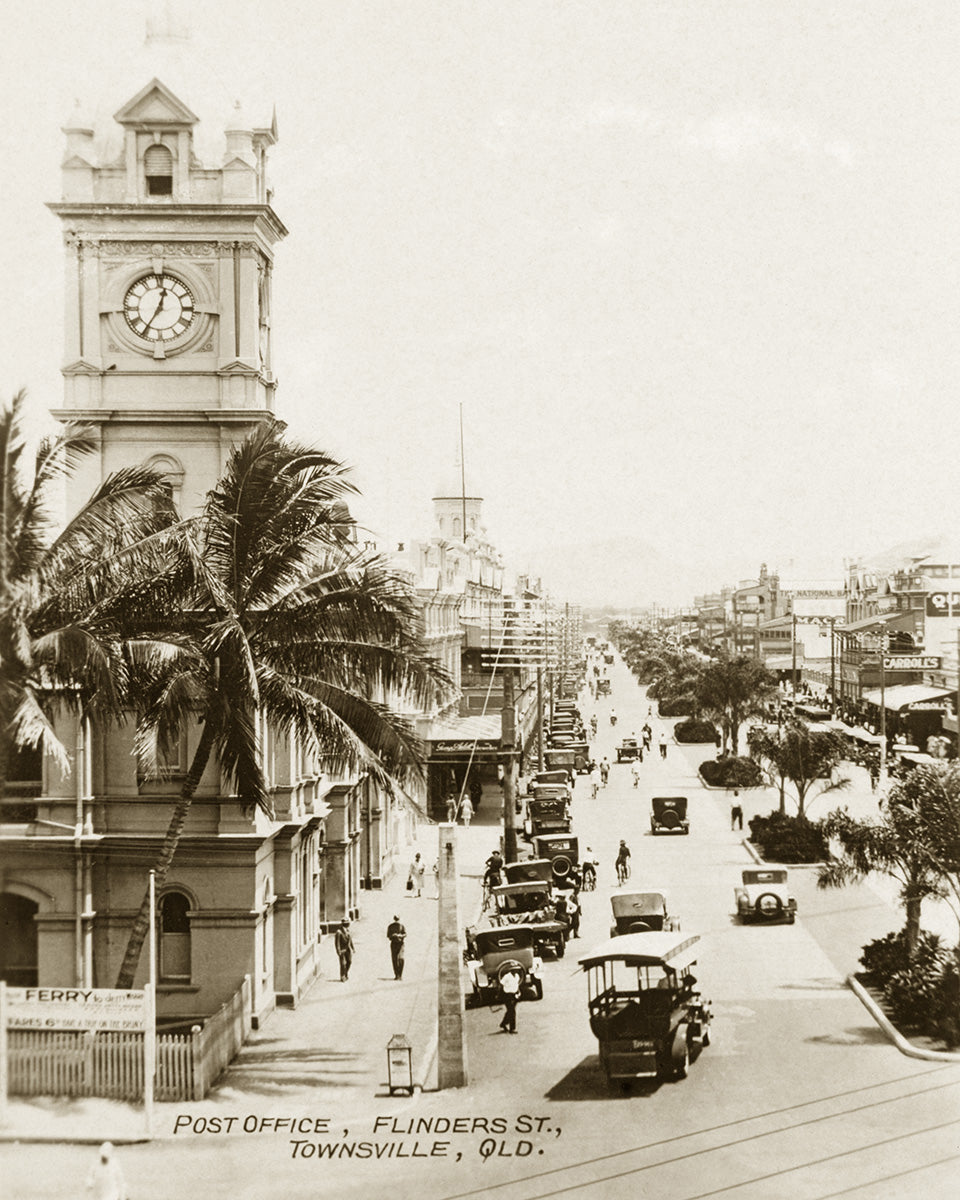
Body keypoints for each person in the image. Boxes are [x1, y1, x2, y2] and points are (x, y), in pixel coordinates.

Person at [499, 967, 521, 1033]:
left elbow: (517, 985)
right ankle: (512, 1029)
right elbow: (501, 984)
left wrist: (518, 992)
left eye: (517, 969)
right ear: (511, 970)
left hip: (514, 995)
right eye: (514, 969)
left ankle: (503, 1023)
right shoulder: (507, 976)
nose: (516, 971)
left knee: (510, 1011)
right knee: (512, 1011)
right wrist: (499, 994)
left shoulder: (517, 976)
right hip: (507, 995)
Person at [387, 915, 406, 980]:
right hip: (394, 944)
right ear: (394, 919)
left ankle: (400, 974)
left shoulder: (402, 926)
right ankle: (396, 975)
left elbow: (405, 934)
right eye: (396, 920)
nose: (397, 921)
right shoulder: (390, 926)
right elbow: (388, 936)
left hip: (401, 944)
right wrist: (393, 936)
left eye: (398, 920)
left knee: (401, 958)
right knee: (394, 959)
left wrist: (400, 935)